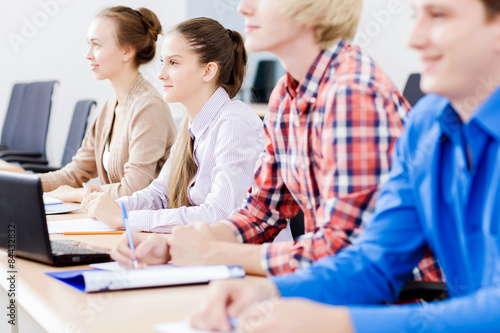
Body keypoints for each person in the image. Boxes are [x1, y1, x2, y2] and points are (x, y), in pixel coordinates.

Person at [187, 0, 500, 332]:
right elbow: (375, 260)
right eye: (414, 16)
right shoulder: (427, 124)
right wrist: (269, 290)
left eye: (438, 16)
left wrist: (339, 322)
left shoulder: (356, 90)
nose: (413, 38)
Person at [110, 0, 441, 284]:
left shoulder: (351, 93)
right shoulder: (286, 94)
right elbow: (261, 213)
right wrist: (179, 246)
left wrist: (217, 253)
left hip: (396, 302)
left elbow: (343, 252)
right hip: (331, 285)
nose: (243, 7)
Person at [82, 17, 264, 235]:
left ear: (207, 71)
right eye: (162, 62)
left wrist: (125, 218)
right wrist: (113, 207)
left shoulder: (234, 122)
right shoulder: (192, 123)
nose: (161, 74)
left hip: (251, 261)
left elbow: (220, 215)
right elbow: (160, 193)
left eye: (174, 63)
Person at [40, 6, 176, 203]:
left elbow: (133, 190)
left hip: (143, 227)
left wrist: (75, 194)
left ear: (127, 51)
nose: (88, 54)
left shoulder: (148, 106)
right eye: (89, 44)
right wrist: (23, 185)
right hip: (115, 221)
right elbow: (74, 173)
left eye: (97, 44)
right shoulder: (110, 106)